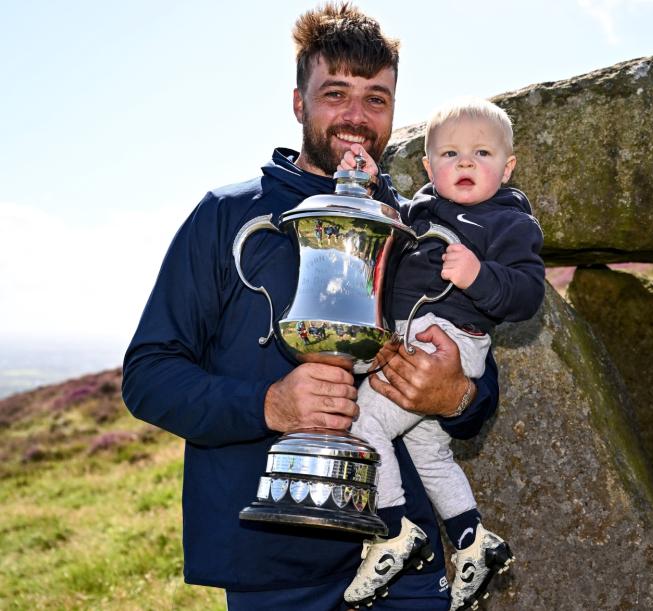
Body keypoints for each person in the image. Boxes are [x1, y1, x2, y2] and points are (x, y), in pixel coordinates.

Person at [121, 4, 500, 610]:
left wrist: (454, 394)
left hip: (403, 565)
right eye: (336, 93)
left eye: (377, 98)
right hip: (272, 572)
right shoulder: (226, 217)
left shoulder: (419, 227)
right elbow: (148, 377)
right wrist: (267, 405)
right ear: (299, 103)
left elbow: (479, 393)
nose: (357, 116)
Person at [339, 98, 545, 610]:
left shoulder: (508, 224)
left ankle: (391, 531)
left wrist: (479, 275)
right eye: (450, 153)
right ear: (429, 168)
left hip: (447, 339)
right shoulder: (423, 210)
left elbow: (527, 295)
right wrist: (368, 180)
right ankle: (474, 541)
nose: (466, 163)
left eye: (482, 152)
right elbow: (392, 218)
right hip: (414, 336)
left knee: (362, 421)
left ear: (508, 166)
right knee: (429, 453)